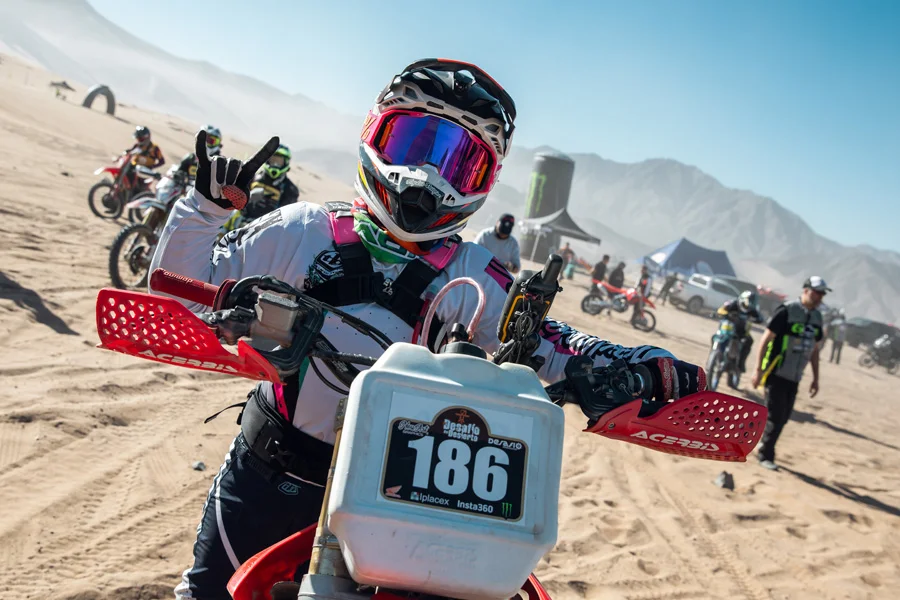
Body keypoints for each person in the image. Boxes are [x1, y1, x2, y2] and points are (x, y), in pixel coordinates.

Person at [149, 59, 707, 599]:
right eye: (413, 145)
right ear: (374, 134)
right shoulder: (302, 230)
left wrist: (634, 366)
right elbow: (176, 290)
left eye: (458, 164)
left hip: (399, 498)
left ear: (486, 181)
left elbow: (547, 342)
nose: (427, 175)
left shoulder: (477, 276)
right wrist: (204, 211)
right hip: (275, 472)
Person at [751, 276, 828, 470]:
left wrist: (816, 378)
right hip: (776, 372)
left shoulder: (817, 318)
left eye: (821, 294)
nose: (819, 297)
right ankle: (765, 454)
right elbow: (766, 339)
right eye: (816, 293)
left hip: (794, 377)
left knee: (783, 417)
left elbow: (815, 350)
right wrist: (758, 370)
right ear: (805, 290)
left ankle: (759, 442)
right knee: (776, 416)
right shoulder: (787, 311)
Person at [715, 290, 763, 373]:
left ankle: (740, 363)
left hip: (741, 332)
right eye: (748, 302)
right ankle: (714, 355)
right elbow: (720, 310)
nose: (748, 305)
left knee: (749, 341)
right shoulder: (733, 303)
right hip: (727, 328)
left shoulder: (752, 309)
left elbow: (760, 318)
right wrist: (726, 314)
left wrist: (756, 319)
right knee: (717, 337)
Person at [123, 126, 165, 192]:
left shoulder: (155, 148)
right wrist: (126, 152)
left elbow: (162, 161)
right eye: (137, 139)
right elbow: (130, 151)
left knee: (138, 189)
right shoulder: (137, 145)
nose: (138, 141)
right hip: (133, 168)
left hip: (144, 172)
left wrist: (152, 167)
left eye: (140, 139)